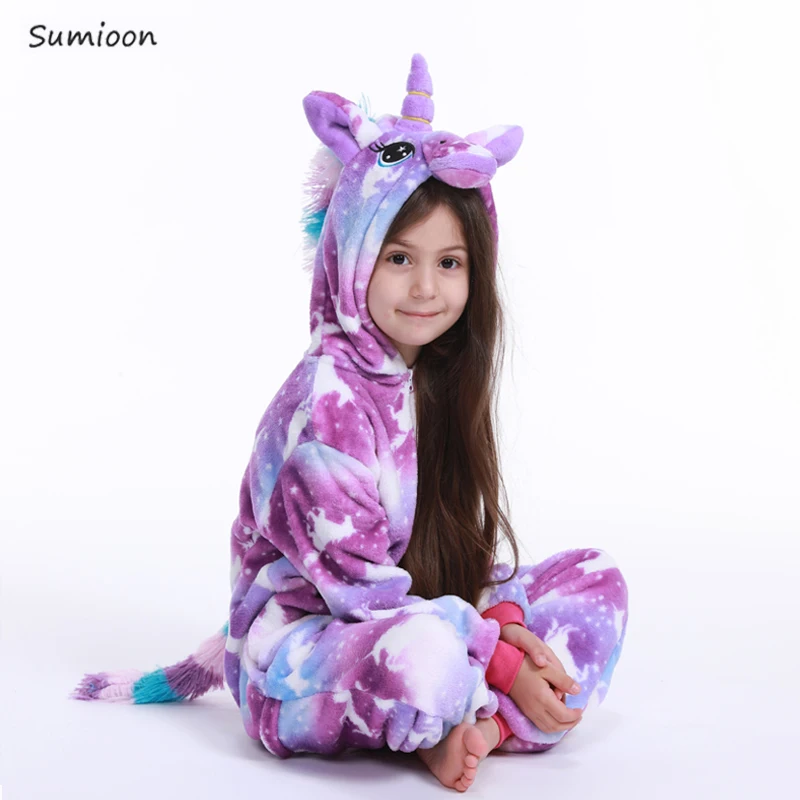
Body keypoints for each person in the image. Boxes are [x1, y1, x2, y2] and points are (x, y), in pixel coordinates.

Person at [70, 53, 629, 793]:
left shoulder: (431, 378)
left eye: (450, 262)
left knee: (596, 581)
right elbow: (363, 596)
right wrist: (499, 656)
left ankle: (479, 726)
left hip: (418, 606)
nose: (426, 288)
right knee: (426, 656)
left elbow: (442, 564)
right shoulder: (325, 406)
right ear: (352, 253)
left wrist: (508, 622)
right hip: (308, 650)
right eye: (399, 257)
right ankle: (454, 708)